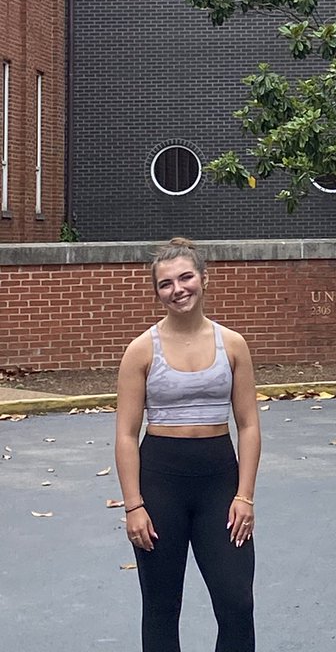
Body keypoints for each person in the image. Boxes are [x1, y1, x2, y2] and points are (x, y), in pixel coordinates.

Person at [115, 237, 260, 652]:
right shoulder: (141, 351)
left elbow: (248, 425)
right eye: (166, 284)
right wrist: (134, 505)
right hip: (160, 482)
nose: (178, 289)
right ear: (156, 292)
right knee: (161, 607)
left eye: (185, 277)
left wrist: (244, 496)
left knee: (236, 602)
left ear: (204, 279)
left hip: (220, 481)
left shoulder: (232, 345)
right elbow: (126, 434)